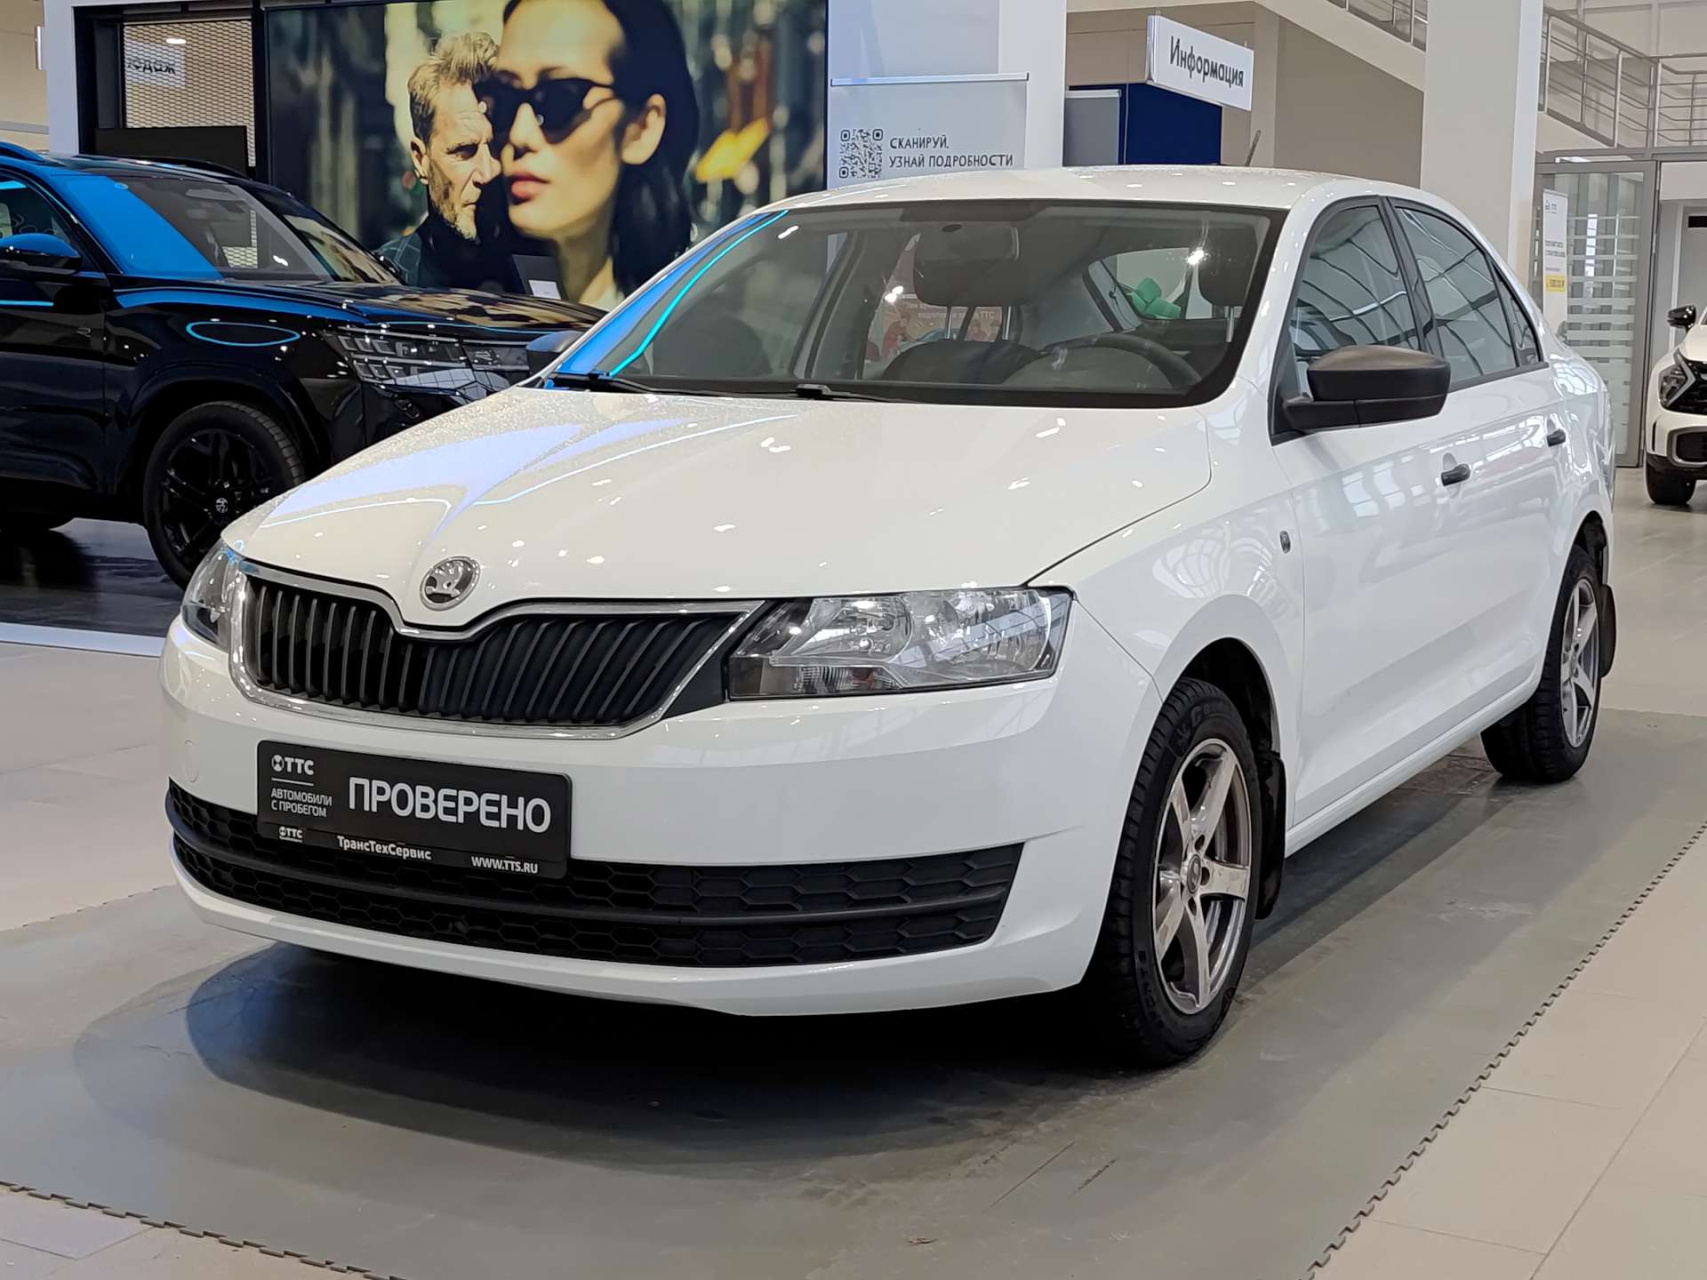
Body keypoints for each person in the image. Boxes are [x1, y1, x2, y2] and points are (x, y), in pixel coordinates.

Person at [481, 0, 699, 308]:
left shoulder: (688, 324)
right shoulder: (451, 314)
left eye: (560, 98)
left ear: (642, 128)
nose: (520, 134)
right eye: (505, 98)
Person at [379, 33, 515, 291]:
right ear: (421, 160)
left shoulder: (561, 272)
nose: (488, 172)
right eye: (463, 151)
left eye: (498, 148)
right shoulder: (381, 284)